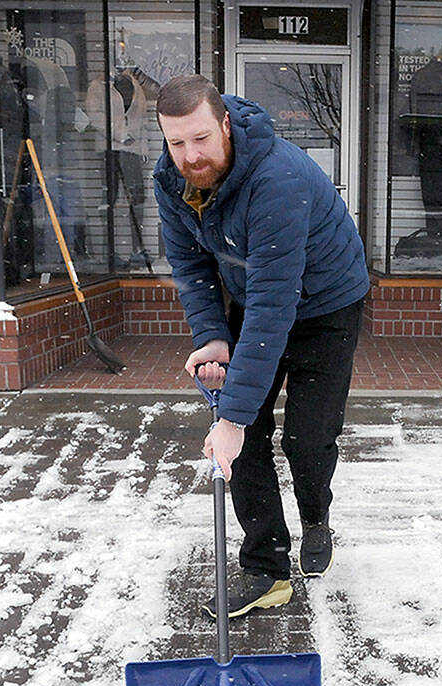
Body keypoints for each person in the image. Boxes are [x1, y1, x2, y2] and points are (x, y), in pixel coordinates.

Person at [152, 74, 370, 619]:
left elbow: (277, 306)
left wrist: (232, 419)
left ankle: (316, 518)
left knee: (307, 436)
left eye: (201, 138)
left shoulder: (276, 179)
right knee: (241, 434)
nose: (190, 155)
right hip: (258, 295)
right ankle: (266, 568)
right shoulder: (171, 182)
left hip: (326, 303)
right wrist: (212, 339)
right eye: (177, 143)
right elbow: (193, 268)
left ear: (225, 123)